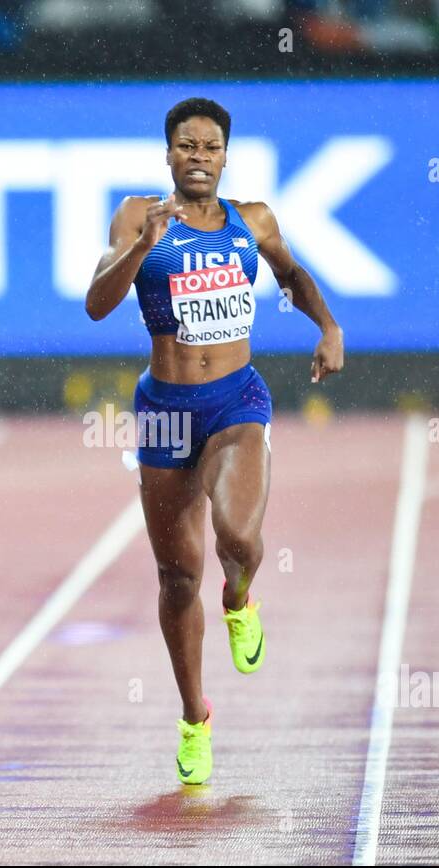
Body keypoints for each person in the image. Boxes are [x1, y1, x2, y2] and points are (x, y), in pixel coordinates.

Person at [86, 97, 344, 785]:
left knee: (237, 537)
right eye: (186, 145)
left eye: (210, 146)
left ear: (226, 156)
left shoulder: (251, 220)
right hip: (164, 411)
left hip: (236, 400)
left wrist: (328, 327)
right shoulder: (140, 215)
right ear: (168, 154)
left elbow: (291, 274)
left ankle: (240, 597)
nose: (198, 156)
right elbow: (96, 301)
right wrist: (143, 245)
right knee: (175, 577)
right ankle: (195, 718)